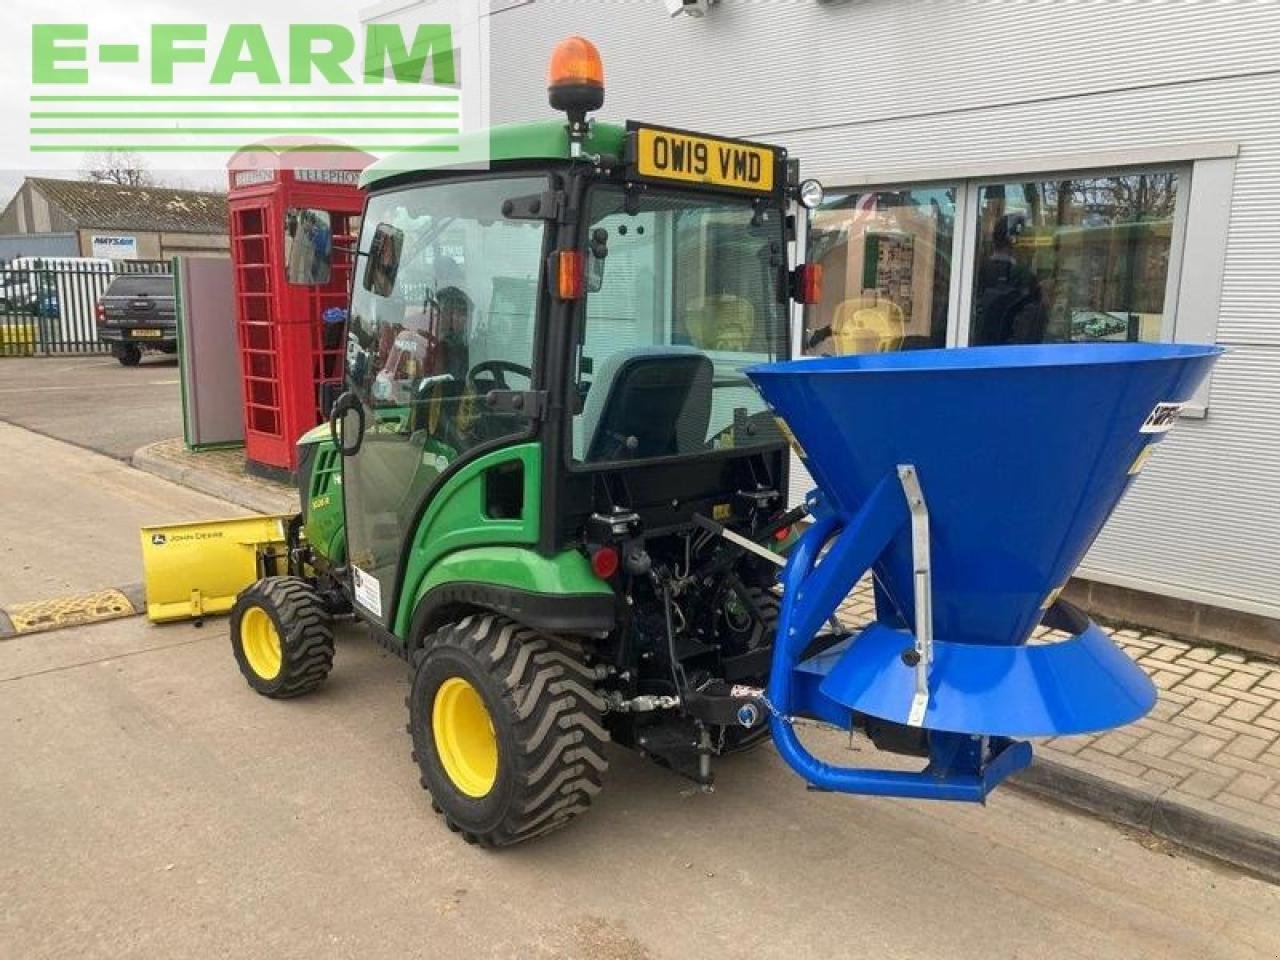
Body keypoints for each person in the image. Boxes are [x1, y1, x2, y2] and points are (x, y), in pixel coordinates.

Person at [972, 213, 1049, 345]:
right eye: (1030, 242)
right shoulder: (1026, 278)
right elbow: (1030, 329)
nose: (1033, 250)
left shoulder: (973, 272)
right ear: (1017, 243)